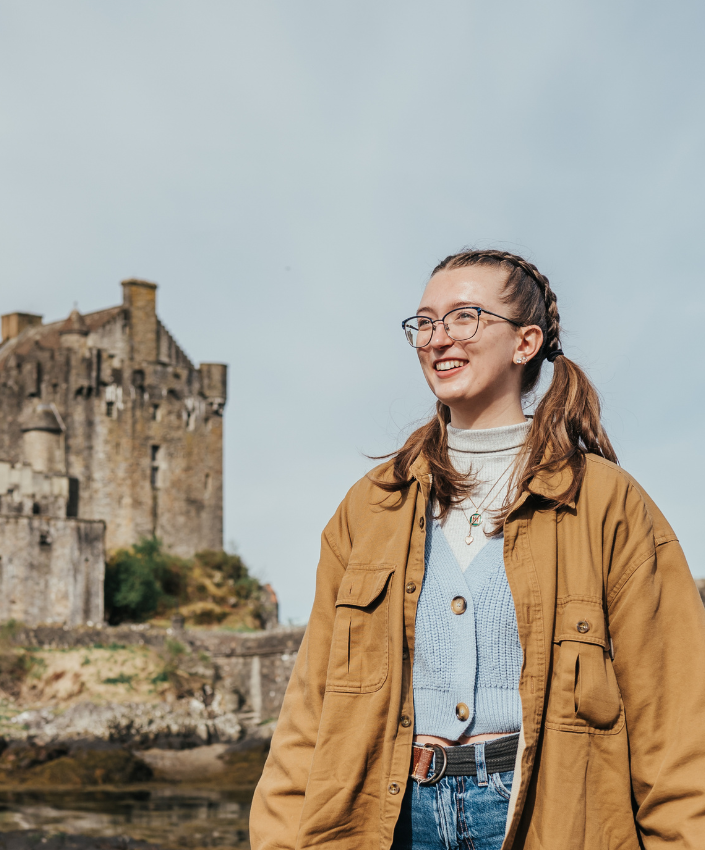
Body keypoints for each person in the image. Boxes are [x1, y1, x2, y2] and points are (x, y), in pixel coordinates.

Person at [248, 249, 705, 849]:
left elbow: (674, 722)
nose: (439, 338)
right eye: (425, 323)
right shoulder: (370, 506)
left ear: (525, 343)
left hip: (549, 817)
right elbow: (309, 710)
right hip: (392, 822)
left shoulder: (607, 503)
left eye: (465, 316)